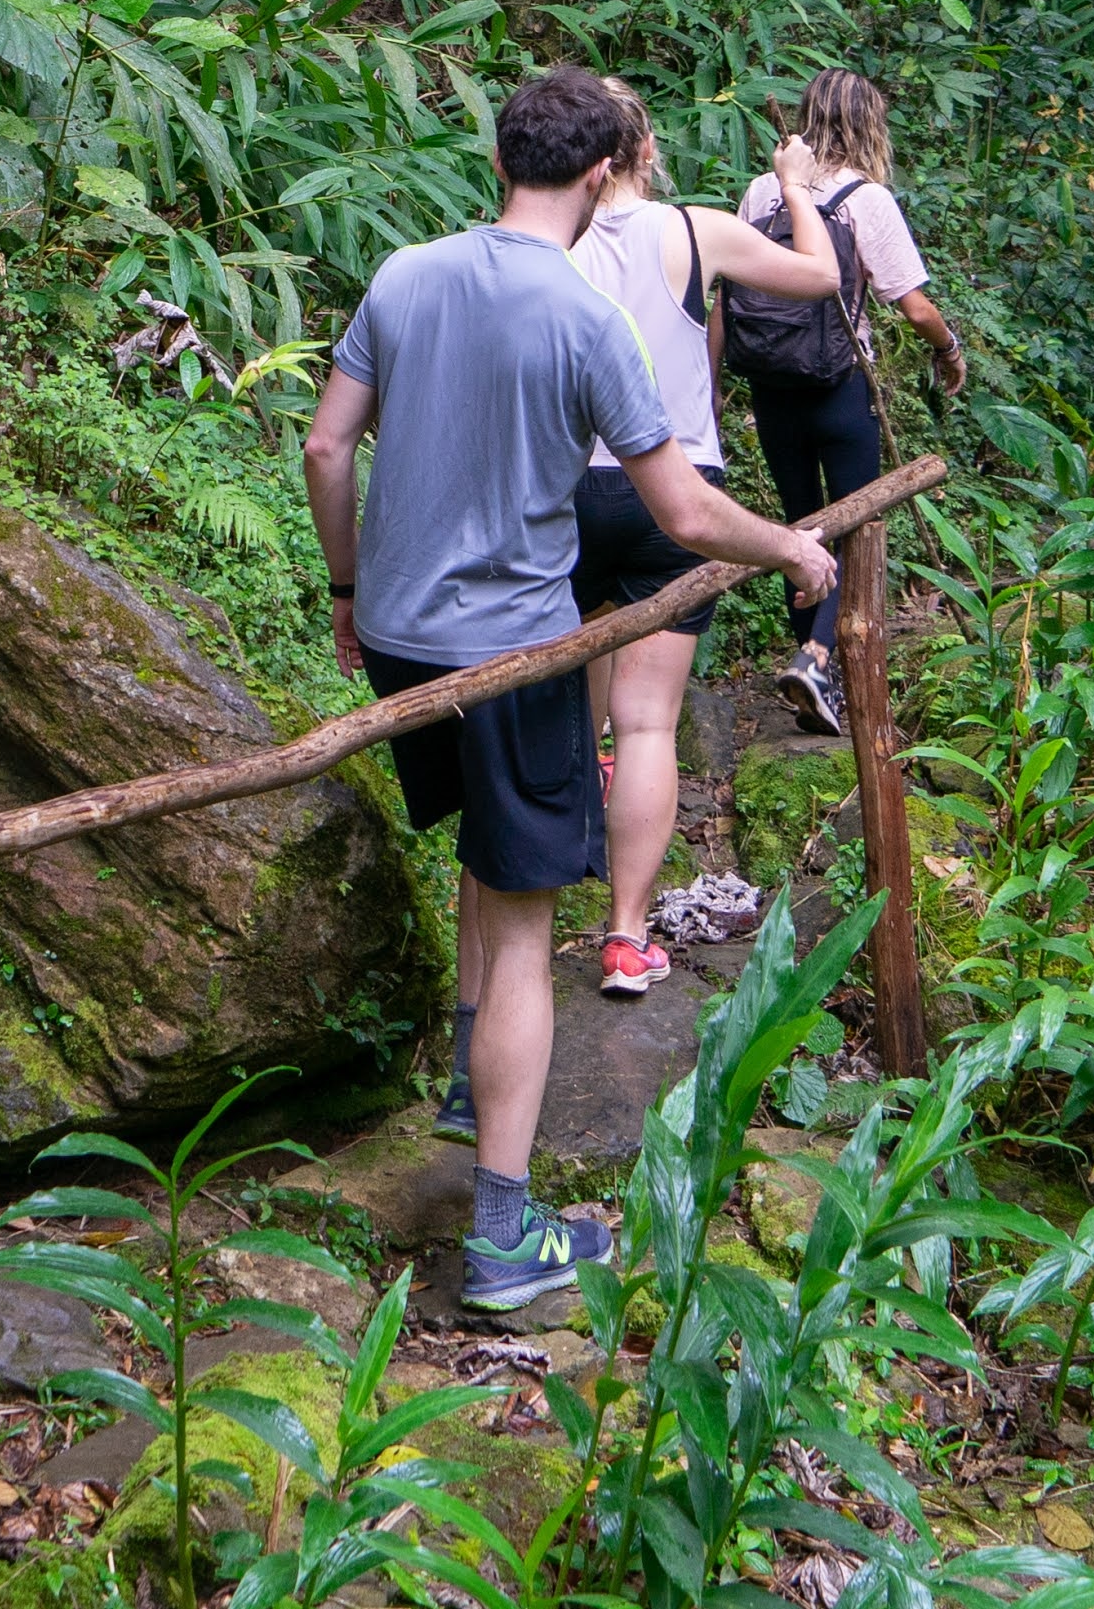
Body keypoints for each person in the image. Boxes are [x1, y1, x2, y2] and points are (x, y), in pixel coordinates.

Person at [305, 67, 835, 1314]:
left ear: (503, 158)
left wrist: (344, 587)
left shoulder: (403, 273)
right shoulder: (586, 311)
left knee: (487, 858)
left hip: (398, 635)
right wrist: (791, 546)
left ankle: (460, 1075)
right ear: (600, 174)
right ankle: (501, 1234)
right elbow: (681, 508)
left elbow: (328, 444)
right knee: (533, 916)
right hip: (512, 649)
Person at [567, 90, 853, 1002]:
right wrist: (793, 183)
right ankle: (624, 936)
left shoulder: (541, 240)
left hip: (564, 486)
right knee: (652, 720)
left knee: (581, 666)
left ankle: (567, 840)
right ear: (647, 146)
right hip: (676, 487)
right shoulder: (694, 231)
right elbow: (819, 276)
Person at [723, 69, 967, 738]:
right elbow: (912, 304)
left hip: (773, 387)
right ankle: (819, 656)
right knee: (853, 526)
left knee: (799, 525)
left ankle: (813, 668)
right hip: (836, 384)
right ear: (867, 126)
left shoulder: (762, 191)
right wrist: (949, 348)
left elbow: (736, 284)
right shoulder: (867, 199)